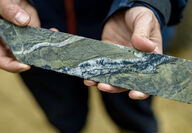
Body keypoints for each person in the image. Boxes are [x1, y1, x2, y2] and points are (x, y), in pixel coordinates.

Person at [0, 0, 187, 133]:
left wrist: (148, 3)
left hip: (128, 31)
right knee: (63, 113)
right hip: (34, 37)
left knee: (133, 110)